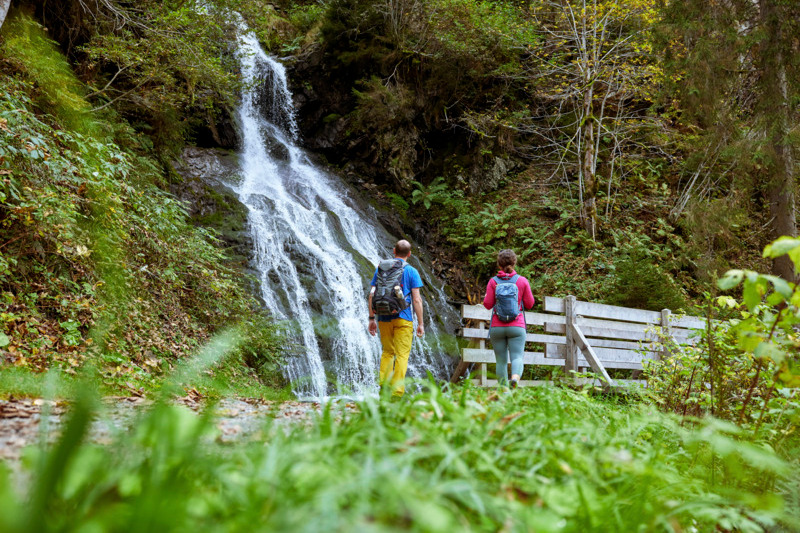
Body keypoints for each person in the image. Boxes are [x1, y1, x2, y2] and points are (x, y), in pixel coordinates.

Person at [367, 239, 424, 397]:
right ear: (409, 254)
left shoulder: (381, 270)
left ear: (394, 251)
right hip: (404, 318)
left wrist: (371, 318)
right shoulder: (412, 271)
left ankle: (384, 388)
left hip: (384, 317)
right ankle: (397, 392)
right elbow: (417, 300)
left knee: (387, 352)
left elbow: (371, 295)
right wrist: (421, 323)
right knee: (402, 355)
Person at [483, 249, 535, 389]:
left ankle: (503, 391)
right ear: (514, 262)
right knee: (517, 357)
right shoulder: (522, 281)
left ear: (499, 264)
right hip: (517, 326)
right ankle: (515, 379)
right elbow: (530, 304)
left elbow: (487, 305)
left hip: (497, 327)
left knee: (501, 361)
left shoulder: (493, 282)